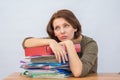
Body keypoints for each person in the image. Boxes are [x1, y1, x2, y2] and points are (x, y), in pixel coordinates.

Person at [22, 9, 98, 77]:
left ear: (75, 27)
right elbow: (26, 43)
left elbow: (78, 72)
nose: (62, 31)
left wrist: (69, 44)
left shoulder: (90, 44)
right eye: (57, 28)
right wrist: (51, 41)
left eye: (66, 26)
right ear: (54, 32)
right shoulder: (56, 40)